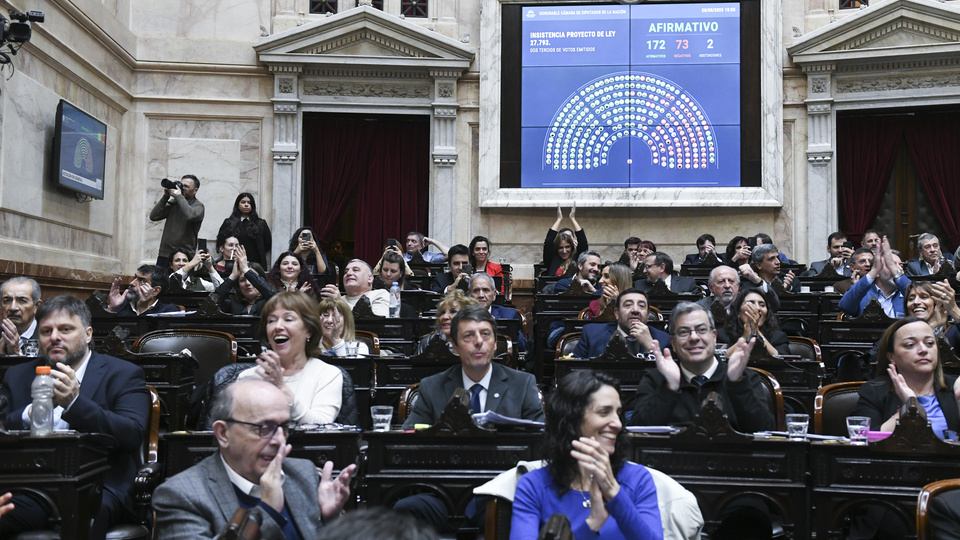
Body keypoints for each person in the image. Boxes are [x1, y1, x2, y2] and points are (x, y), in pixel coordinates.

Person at [0, 295, 149, 538]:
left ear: (88, 334)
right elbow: (4, 422)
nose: (55, 337)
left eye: (66, 329)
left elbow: (132, 434)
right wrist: (32, 411)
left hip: (98, 485)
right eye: (46, 331)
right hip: (26, 482)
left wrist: (75, 404)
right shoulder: (17, 375)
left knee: (81, 513)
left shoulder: (123, 374)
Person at [397, 306, 544, 531]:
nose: (478, 342)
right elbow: (410, 437)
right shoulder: (432, 387)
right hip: (443, 492)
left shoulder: (522, 385)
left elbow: (541, 442)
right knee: (404, 508)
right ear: (454, 346)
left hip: (500, 489)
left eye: (485, 334)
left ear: (495, 344)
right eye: (468, 336)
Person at [152, 378, 356, 538]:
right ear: (223, 433)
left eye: (284, 427)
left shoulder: (303, 473)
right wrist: (267, 510)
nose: (278, 440)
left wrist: (331, 520)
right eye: (264, 428)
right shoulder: (182, 496)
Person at [511, 371, 663, 540]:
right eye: (604, 412)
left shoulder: (638, 479)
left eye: (618, 413)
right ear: (572, 420)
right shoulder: (533, 485)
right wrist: (592, 524)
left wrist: (614, 494)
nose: (618, 424)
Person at [628, 302, 775, 433]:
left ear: (714, 336)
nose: (694, 338)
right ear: (672, 342)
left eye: (701, 330)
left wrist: (736, 384)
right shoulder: (656, 379)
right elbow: (637, 434)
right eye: (684, 332)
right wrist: (669, 388)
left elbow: (765, 431)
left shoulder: (745, 378)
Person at [238, 292, 343, 425]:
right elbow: (238, 428)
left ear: (309, 330)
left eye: (288, 319)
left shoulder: (328, 375)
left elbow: (322, 424)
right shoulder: (247, 378)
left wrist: (282, 388)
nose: (277, 327)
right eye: (271, 321)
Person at [852, 317, 960, 436]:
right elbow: (862, 439)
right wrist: (909, 408)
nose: (923, 350)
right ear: (891, 356)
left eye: (930, 343)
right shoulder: (874, 392)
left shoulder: (955, 388)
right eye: (910, 345)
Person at [573, 289, 669, 359]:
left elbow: (666, 380)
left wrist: (650, 348)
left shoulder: (663, 340)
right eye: (628, 305)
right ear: (616, 313)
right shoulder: (592, 334)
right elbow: (574, 370)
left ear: (648, 315)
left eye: (641, 306)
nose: (635, 310)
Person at [839, 236, 911, 318]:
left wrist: (894, 270)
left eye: (900, 265)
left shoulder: (905, 293)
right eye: (890, 265)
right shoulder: (862, 293)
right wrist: (873, 271)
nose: (899, 269)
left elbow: (916, 293)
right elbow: (845, 305)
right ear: (877, 272)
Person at [149, 174, 204, 268]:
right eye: (181, 185)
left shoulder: (198, 206)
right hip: (165, 254)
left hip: (184, 257)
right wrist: (165, 196)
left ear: (195, 190)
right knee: (159, 282)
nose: (182, 188)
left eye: (186, 186)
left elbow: (190, 215)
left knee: (181, 282)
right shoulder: (174, 203)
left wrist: (178, 196)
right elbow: (154, 216)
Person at [718, 289, 790, 357]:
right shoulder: (722, 335)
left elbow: (782, 359)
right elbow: (719, 359)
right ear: (738, 312)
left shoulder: (778, 337)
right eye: (751, 303)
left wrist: (756, 331)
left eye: (762, 305)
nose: (757, 308)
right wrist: (745, 337)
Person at [212, 246, 277, 316]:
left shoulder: (269, 301)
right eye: (242, 280)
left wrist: (246, 270)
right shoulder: (233, 302)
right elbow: (211, 302)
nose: (247, 283)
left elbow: (276, 297)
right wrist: (233, 276)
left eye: (252, 279)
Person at [469, 273, 525, 352]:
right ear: (469, 295)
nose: (481, 295)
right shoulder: (461, 317)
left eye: (486, 290)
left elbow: (521, 347)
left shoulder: (509, 316)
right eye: (476, 291)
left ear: (494, 295)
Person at [217, 192, 272, 267]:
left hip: (255, 264)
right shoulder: (229, 222)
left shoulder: (261, 223)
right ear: (237, 205)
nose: (246, 205)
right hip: (233, 263)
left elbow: (267, 243)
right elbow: (221, 241)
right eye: (243, 202)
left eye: (249, 203)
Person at [416, 290, 479, 355]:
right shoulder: (427, 342)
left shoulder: (478, 342)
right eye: (443, 313)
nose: (445, 317)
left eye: (453, 311)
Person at [321, 259, 391, 317]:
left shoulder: (380, 294)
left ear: (370, 278)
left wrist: (340, 304)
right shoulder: (337, 299)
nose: (349, 273)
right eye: (346, 271)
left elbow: (375, 322)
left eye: (355, 270)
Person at [106, 264, 180, 316]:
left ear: (155, 291)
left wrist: (143, 308)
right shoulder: (122, 305)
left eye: (142, 280)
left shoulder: (169, 312)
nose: (132, 283)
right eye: (135, 278)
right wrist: (112, 308)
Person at [543, 202, 588, 277]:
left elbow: (583, 241)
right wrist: (559, 219)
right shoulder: (552, 259)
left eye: (567, 247)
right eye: (561, 248)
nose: (564, 251)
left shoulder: (577, 258)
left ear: (572, 246)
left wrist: (573, 219)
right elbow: (548, 242)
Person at [0, 277, 41, 355]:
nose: (13, 308)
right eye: (7, 301)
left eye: (22, 301)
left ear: (36, 306)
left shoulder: (48, 337)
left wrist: (17, 354)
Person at [633, 252, 701, 295]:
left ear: (662, 268)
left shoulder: (687, 284)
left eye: (648, 267)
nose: (644, 271)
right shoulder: (639, 285)